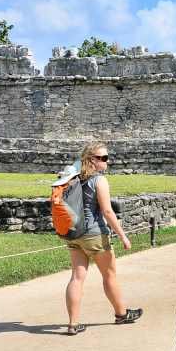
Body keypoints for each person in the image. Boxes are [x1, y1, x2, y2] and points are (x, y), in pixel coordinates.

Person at [62, 142, 142, 335]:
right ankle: (121, 314)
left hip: (73, 232)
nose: (107, 161)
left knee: (77, 277)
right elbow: (107, 210)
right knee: (109, 275)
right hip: (95, 234)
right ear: (92, 159)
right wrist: (123, 236)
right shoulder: (99, 181)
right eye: (103, 158)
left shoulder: (72, 177)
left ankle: (73, 323)